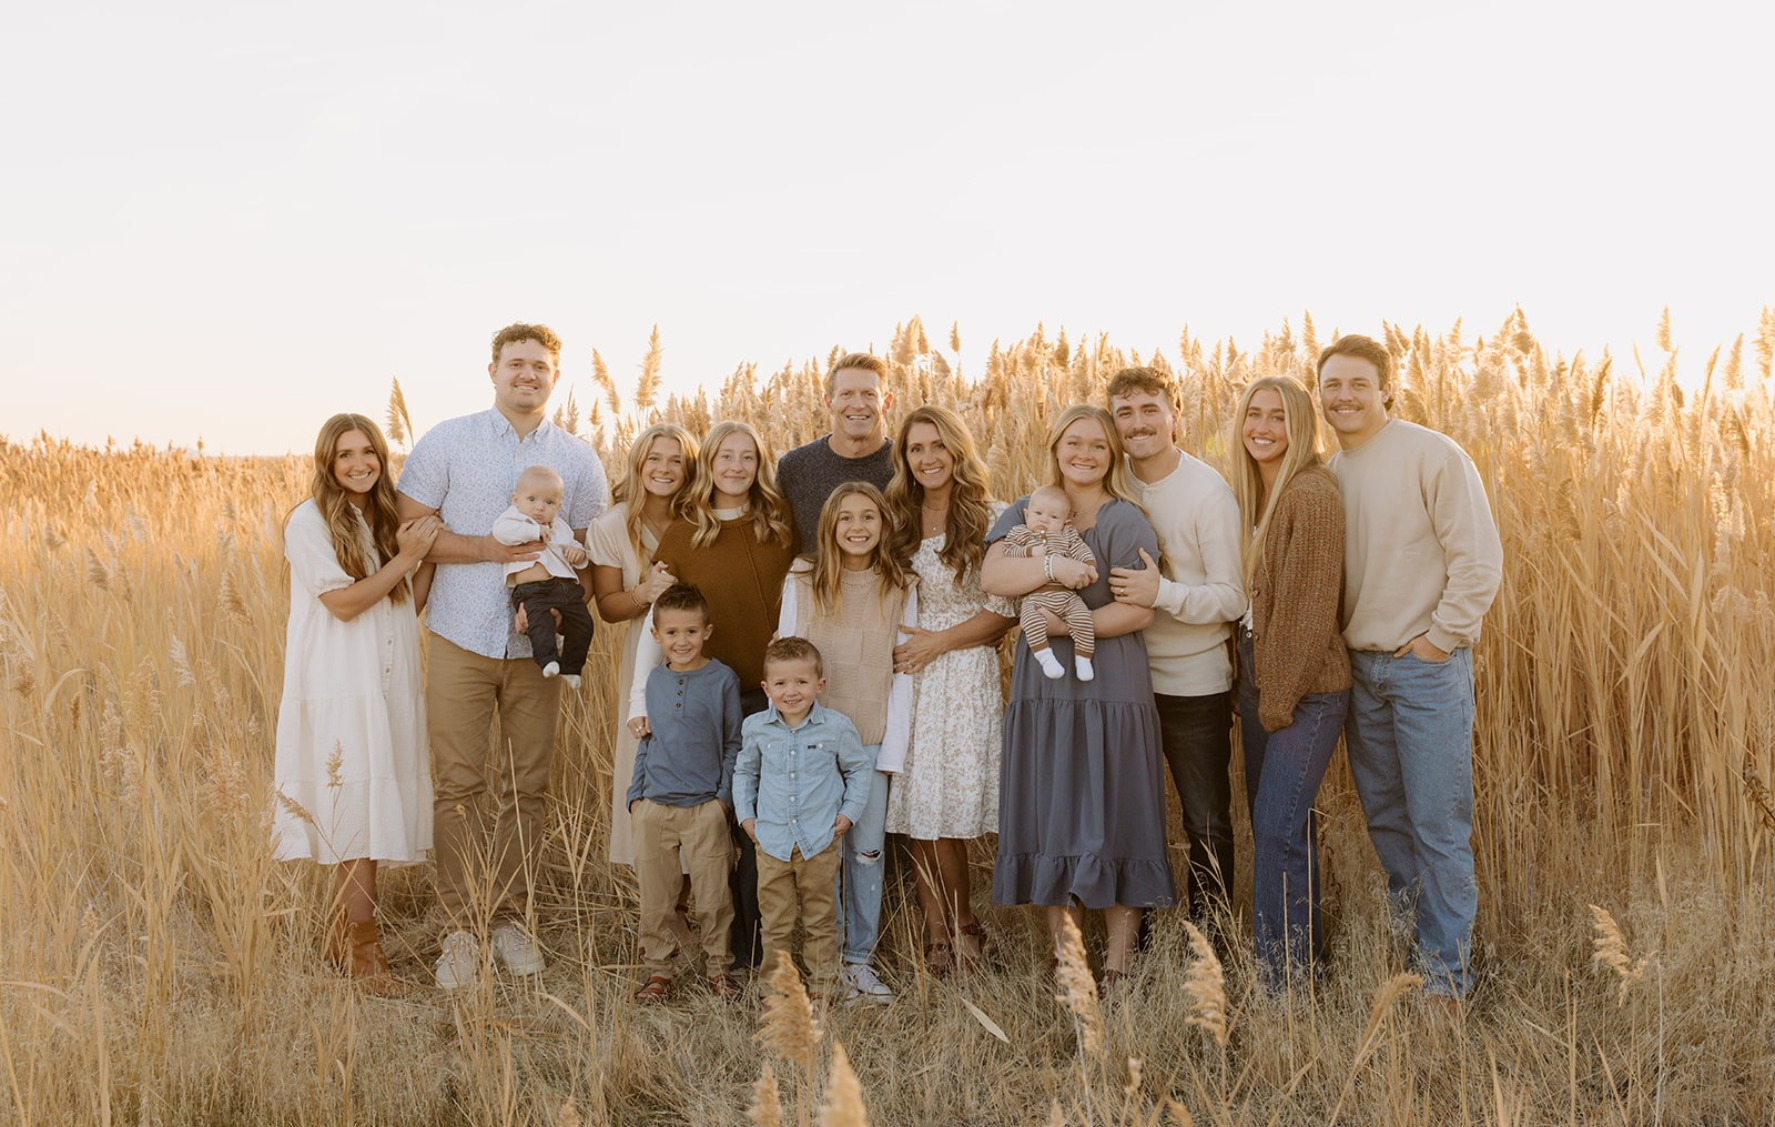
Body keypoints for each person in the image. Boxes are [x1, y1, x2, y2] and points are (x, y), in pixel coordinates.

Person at [396, 322, 609, 990]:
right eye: (515, 363)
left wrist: (558, 599)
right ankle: (460, 928)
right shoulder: (446, 440)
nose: (528, 374)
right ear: (492, 370)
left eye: (539, 366)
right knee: (458, 784)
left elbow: (590, 548)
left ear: (554, 375)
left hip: (533, 646)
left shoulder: (578, 460)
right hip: (460, 634)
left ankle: (512, 919)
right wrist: (486, 550)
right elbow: (410, 533)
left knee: (528, 786)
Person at [1317, 334, 1503, 1003]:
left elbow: (1477, 560)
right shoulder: (1331, 471)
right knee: (1390, 826)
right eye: (1331, 384)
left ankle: (1447, 985)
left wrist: (1437, 639)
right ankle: (1415, 959)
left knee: (1437, 826)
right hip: (1361, 672)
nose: (1343, 396)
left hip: (1423, 670)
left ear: (1385, 390)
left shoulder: (1431, 453)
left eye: (1357, 384)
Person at [982, 405, 1175, 991]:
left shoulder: (1126, 520)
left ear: (1112, 454)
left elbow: (1137, 608)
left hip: (1111, 683)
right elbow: (995, 578)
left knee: (1118, 808)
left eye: (1097, 445)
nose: (1084, 454)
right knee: (1053, 808)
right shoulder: (1026, 511)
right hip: (1044, 691)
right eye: (1074, 442)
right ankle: (1067, 959)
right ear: (1055, 446)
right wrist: (1049, 566)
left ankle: (1117, 962)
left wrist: (1058, 622)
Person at [273, 413, 441, 994]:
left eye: (367, 451)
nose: (359, 464)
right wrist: (405, 559)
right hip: (340, 680)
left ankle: (347, 936)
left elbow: (400, 607)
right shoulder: (310, 520)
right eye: (345, 454)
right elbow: (343, 605)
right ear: (328, 461)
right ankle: (363, 952)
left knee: (370, 807)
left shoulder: (386, 515)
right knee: (353, 812)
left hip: (388, 681)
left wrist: (427, 560)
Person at [627, 419, 798, 968]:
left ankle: (750, 950)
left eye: (747, 457)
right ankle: (699, 945)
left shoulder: (778, 524)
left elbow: (805, 591)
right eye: (725, 456)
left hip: (767, 699)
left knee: (757, 826)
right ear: (710, 463)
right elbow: (661, 622)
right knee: (705, 824)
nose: (735, 467)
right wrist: (638, 702)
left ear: (759, 464)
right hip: (699, 703)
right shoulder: (685, 531)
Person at [1105, 367, 1246, 928]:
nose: (1137, 423)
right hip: (1123, 677)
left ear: (1175, 415)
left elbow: (1231, 597)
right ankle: (1130, 941)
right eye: (1124, 412)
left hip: (1193, 682)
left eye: (1148, 409)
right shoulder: (1110, 483)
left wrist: (1159, 593)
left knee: (1205, 819)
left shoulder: (1207, 491)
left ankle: (1207, 944)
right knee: (1125, 817)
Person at [882, 405, 1014, 976]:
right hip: (906, 677)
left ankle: (965, 929)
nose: (928, 458)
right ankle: (936, 936)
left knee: (946, 813)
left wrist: (939, 643)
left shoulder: (993, 516)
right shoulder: (895, 517)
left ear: (957, 449)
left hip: (963, 673)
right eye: (916, 449)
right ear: (904, 458)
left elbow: (1005, 610)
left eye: (937, 446)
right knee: (916, 812)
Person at [1228, 376, 1350, 990]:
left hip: (1306, 691)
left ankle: (1283, 986)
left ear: (1301, 425)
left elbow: (1308, 613)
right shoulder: (1261, 492)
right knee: (1283, 829)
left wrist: (1275, 701)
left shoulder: (1311, 493)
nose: (1263, 428)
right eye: (1254, 414)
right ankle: (1302, 968)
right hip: (1263, 683)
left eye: (1278, 417)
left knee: (1276, 829)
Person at [776, 483, 916, 1004]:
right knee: (821, 854)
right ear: (829, 526)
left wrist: (892, 752)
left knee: (867, 853)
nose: (858, 528)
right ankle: (825, 965)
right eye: (846, 519)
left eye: (868, 518)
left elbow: (903, 671)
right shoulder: (803, 579)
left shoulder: (900, 584)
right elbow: (784, 658)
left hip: (871, 743)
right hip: (811, 744)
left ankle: (860, 961)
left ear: (884, 524)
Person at [734, 637, 874, 1010]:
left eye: (801, 682)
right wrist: (747, 818)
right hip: (772, 841)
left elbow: (859, 768)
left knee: (820, 919)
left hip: (820, 839)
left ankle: (823, 986)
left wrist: (848, 814)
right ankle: (775, 989)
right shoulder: (756, 728)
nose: (791, 691)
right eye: (780, 684)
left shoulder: (836, 727)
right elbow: (744, 772)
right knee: (775, 922)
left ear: (819, 685)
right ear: (766, 688)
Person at [626, 583, 744, 1004]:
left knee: (714, 897)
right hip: (655, 806)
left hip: (703, 809)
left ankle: (719, 969)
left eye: (691, 632)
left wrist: (722, 802)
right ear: (657, 636)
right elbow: (647, 741)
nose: (682, 641)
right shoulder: (654, 682)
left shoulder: (722, 679)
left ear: (707, 631)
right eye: (672, 633)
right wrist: (635, 798)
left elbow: (733, 744)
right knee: (656, 899)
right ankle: (659, 971)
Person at [587, 422, 697, 869]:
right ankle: (659, 905)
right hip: (646, 662)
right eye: (654, 458)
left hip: (704, 658)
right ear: (638, 464)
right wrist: (644, 593)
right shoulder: (613, 524)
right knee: (650, 763)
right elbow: (609, 607)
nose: (664, 469)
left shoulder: (700, 518)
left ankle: (699, 893)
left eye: (676, 460)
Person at [776, 352, 896, 547]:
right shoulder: (795, 467)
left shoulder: (908, 466)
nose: (858, 405)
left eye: (869, 394)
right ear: (829, 402)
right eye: (846, 394)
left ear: (887, 403)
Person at [493, 465, 595, 687]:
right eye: (532, 500)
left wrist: (579, 554)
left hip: (565, 588)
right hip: (532, 591)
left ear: (558, 505)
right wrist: (534, 531)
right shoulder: (513, 520)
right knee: (540, 623)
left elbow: (572, 544)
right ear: (516, 499)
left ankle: (572, 667)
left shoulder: (560, 527)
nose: (539, 507)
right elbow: (501, 533)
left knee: (584, 623)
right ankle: (547, 659)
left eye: (549, 503)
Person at [997, 484, 1099, 681]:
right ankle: (1045, 656)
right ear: (1027, 515)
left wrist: (1089, 566)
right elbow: (1008, 552)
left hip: (1066, 595)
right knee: (1030, 621)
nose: (1044, 520)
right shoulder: (1020, 533)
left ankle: (1083, 658)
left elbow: (1080, 549)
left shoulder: (1066, 535)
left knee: (1084, 619)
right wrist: (1029, 552)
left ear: (1065, 522)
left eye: (1053, 517)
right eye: (1038, 513)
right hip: (1035, 598)